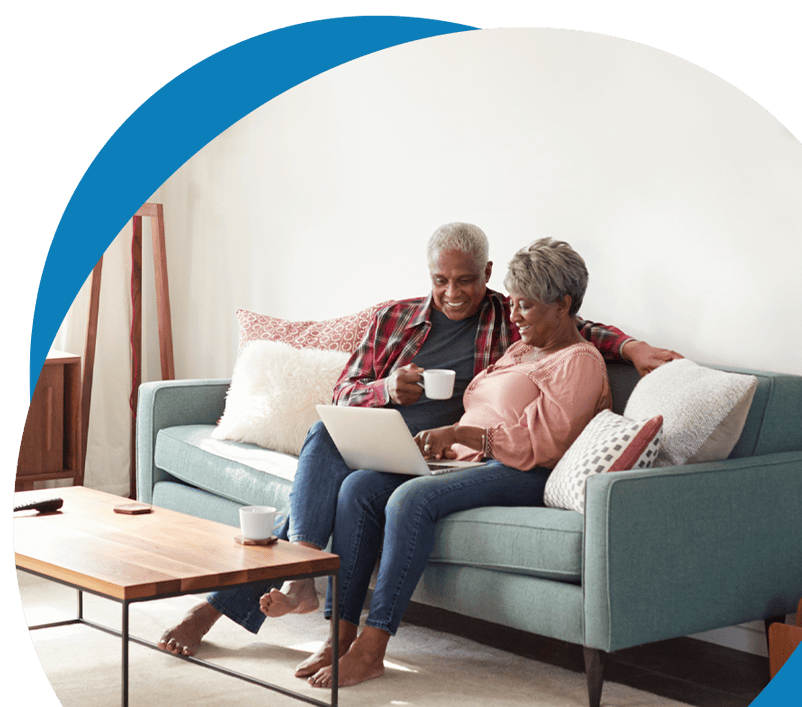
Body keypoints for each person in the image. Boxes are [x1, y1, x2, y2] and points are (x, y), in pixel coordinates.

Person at [158, 224, 680, 659]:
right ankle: (306, 574)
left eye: (466, 281)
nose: (453, 293)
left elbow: (571, 328)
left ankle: (235, 601)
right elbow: (343, 391)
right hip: (391, 433)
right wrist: (387, 389)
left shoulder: (508, 321)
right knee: (324, 436)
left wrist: (631, 346)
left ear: (488, 275)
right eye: (441, 280)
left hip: (447, 451)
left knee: (339, 495)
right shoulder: (395, 319)